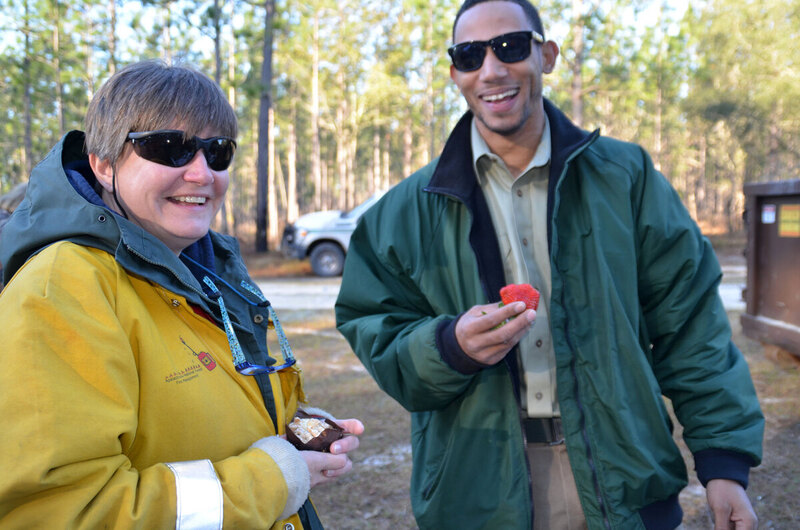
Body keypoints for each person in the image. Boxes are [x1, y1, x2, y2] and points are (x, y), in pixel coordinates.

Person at [335, 1, 763, 528]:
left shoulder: (626, 178)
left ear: (547, 56)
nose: (491, 70)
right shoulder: (401, 213)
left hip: (623, 476)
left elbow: (692, 325)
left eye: (510, 47)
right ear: (455, 74)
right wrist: (448, 346)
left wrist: (723, 463)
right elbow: (376, 330)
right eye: (470, 56)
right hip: (480, 488)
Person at [0, 60, 363, 529]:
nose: (201, 173)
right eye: (170, 148)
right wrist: (272, 479)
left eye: (218, 152)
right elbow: (65, 510)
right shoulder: (62, 290)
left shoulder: (203, 271)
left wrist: (293, 431)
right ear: (104, 165)